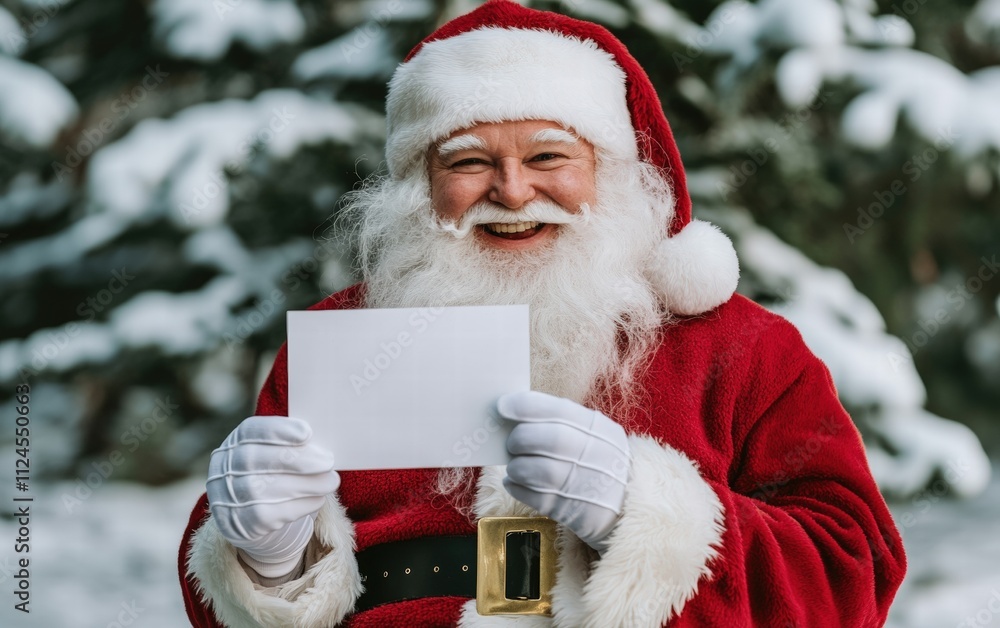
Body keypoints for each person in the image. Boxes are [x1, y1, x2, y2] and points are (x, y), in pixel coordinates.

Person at [178, 1, 906, 626]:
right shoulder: (344, 346)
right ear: (419, 184)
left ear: (612, 168)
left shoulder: (741, 349)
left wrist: (649, 520)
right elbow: (225, 600)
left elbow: (855, 573)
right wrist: (268, 564)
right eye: (467, 162)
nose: (514, 191)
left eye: (550, 156)